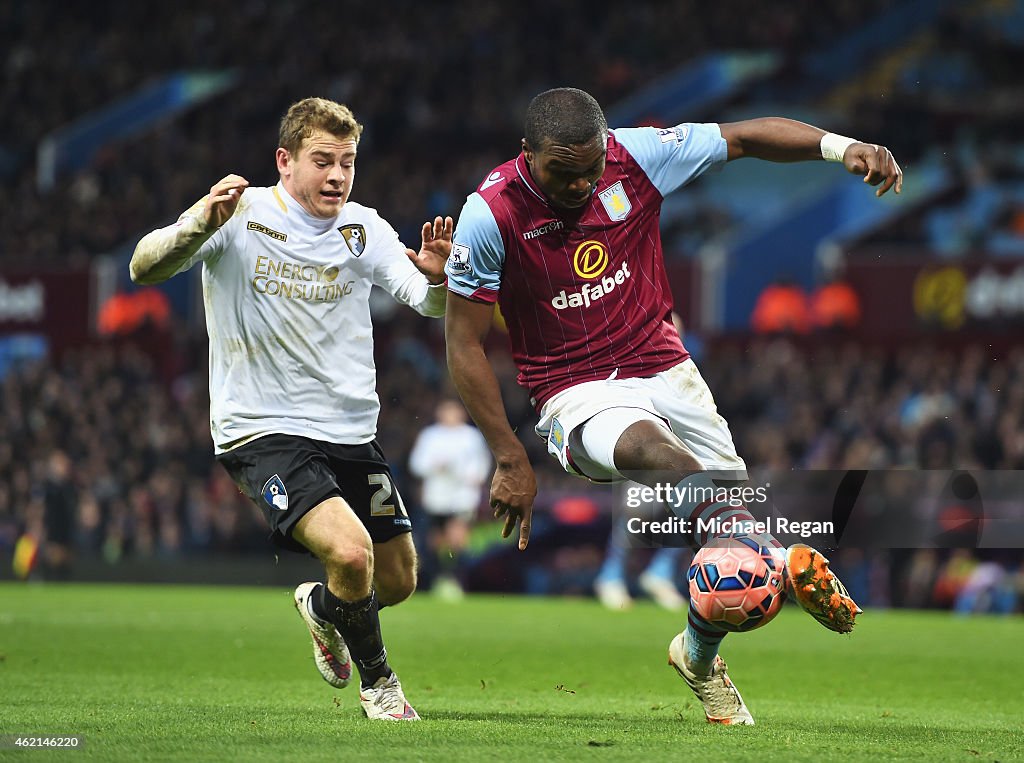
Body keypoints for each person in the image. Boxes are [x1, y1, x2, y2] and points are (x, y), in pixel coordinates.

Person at [444, 87, 902, 725]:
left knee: (733, 551)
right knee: (669, 462)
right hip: (575, 393)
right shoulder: (489, 212)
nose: (579, 185)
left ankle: (697, 651)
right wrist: (508, 455)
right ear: (528, 155)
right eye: (561, 172)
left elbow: (741, 137)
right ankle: (775, 559)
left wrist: (841, 146)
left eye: (590, 169)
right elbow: (463, 341)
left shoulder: (638, 156)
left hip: (666, 370)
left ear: (607, 148)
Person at [129, 97, 453, 721]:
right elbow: (144, 267)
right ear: (285, 161)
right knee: (351, 553)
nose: (337, 176)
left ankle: (324, 609)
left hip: (351, 432)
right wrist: (198, 221)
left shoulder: (364, 228)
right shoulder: (238, 215)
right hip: (261, 430)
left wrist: (437, 278)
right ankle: (380, 687)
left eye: (348, 163)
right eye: (323, 161)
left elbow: (425, 302)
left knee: (397, 581)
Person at [408, 399, 491, 600]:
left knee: (458, 538)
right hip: (436, 496)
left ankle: (455, 580)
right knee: (436, 541)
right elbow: (416, 464)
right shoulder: (431, 436)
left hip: (462, 496)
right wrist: (435, 466)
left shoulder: (471, 437)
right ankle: (438, 579)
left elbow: (481, 464)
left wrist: (474, 477)